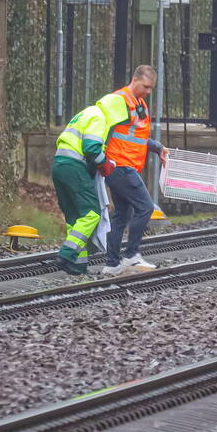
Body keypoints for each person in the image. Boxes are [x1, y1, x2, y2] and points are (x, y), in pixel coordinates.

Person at [95, 65, 169, 275]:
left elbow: (136, 136)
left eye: (151, 88)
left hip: (123, 166)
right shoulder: (119, 100)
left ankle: (112, 263)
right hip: (120, 165)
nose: (148, 91)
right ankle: (131, 255)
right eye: (146, 86)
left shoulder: (139, 104)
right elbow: (104, 129)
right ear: (135, 80)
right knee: (145, 207)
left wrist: (157, 148)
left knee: (122, 215)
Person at [51, 103, 117, 275]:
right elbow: (91, 148)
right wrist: (106, 165)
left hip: (59, 165)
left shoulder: (86, 113)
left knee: (75, 218)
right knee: (91, 213)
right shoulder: (100, 118)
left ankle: (77, 265)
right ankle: (66, 254)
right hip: (74, 167)